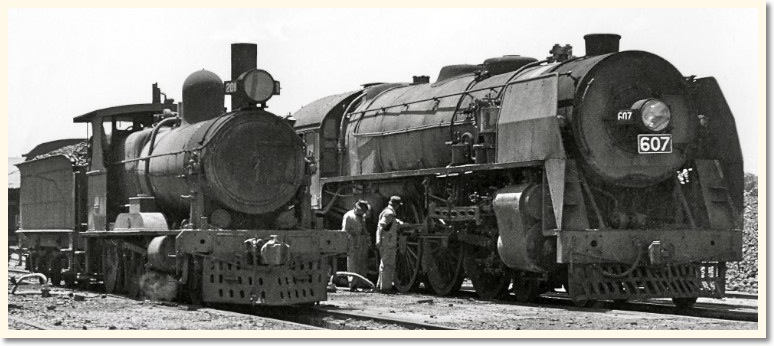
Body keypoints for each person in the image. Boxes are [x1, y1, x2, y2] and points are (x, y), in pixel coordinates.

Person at [376, 196, 404, 293]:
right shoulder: (389, 213)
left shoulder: (388, 212)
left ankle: (381, 286)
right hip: (387, 242)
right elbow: (381, 226)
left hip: (387, 242)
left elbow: (392, 223)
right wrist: (378, 239)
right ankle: (386, 288)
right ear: (396, 205)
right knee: (388, 264)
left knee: (384, 264)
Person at [341, 200, 370, 291]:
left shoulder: (363, 216)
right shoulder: (348, 216)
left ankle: (362, 283)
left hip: (361, 241)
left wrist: (367, 238)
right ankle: (353, 284)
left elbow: (364, 228)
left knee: (362, 262)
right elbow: (344, 231)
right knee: (352, 263)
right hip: (352, 241)